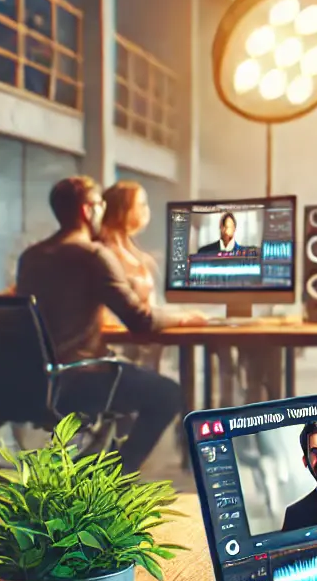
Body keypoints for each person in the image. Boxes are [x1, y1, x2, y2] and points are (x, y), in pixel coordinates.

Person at [15, 175, 198, 473]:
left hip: (36, 381)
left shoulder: (31, 257)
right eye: (101, 205)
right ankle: (117, 477)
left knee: (133, 379)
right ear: (88, 210)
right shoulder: (93, 255)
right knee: (168, 394)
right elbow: (141, 320)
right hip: (80, 379)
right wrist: (185, 317)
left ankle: (102, 466)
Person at [99, 181, 164, 370]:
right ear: (123, 210)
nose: (146, 211)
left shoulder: (134, 252)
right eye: (141, 204)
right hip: (119, 349)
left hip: (143, 343)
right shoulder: (104, 254)